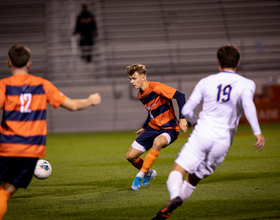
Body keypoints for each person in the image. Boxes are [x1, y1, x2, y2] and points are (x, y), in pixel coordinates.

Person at [151, 44, 265, 220]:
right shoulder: (247, 84)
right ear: (238, 62)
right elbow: (248, 106)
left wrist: (196, 122)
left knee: (177, 171)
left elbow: (187, 110)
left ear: (218, 62)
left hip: (202, 134)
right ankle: (174, 204)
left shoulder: (206, 81)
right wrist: (257, 132)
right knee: (194, 179)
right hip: (223, 141)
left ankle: (174, 197)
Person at [0, 44, 101, 219]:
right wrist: (90, 100)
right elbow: (72, 106)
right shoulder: (42, 85)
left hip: (7, 147)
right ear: (29, 64)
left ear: (9, 63)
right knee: (4, 193)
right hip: (32, 151)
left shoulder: (3, 85)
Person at [126, 64, 188, 191]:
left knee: (158, 142)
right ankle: (149, 173)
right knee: (130, 156)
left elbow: (180, 96)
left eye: (134, 78)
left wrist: (182, 118)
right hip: (152, 128)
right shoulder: (140, 95)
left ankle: (140, 175)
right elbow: (151, 111)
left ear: (143, 77)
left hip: (169, 128)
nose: (132, 82)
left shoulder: (156, 87)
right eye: (130, 79)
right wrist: (144, 127)